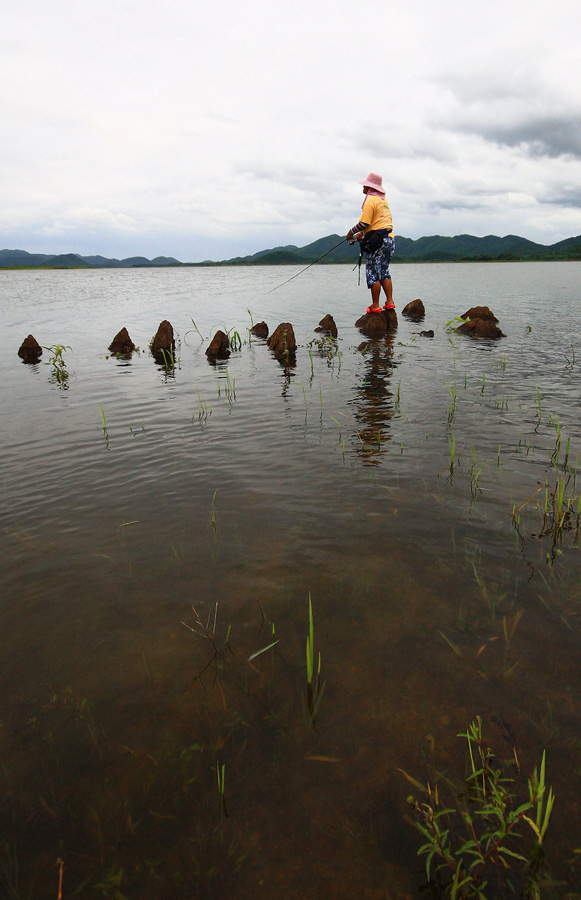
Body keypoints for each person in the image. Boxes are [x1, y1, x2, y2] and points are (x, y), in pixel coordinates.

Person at [346, 172, 395, 313]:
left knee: (373, 273)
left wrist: (351, 233)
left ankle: (375, 306)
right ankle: (390, 302)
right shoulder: (383, 201)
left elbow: (363, 223)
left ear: (370, 187)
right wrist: (363, 233)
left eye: (365, 185)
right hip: (389, 240)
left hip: (377, 243)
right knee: (385, 272)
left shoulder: (371, 200)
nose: (363, 187)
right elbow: (376, 223)